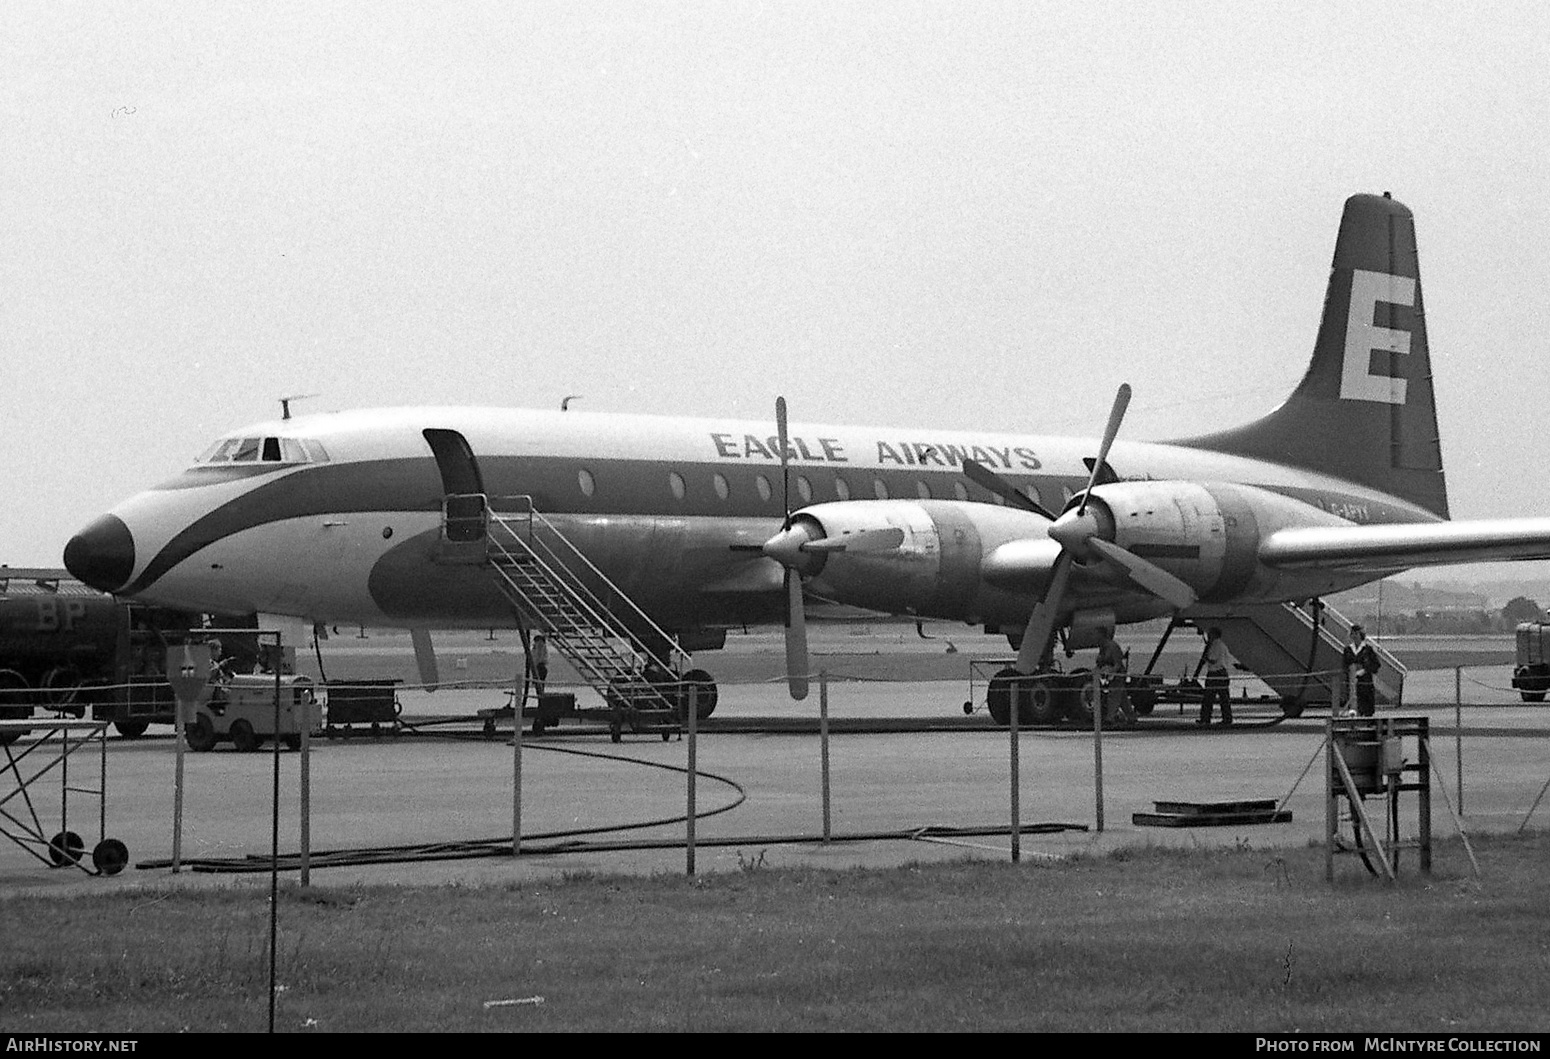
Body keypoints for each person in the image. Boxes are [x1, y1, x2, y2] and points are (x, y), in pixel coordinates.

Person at [1197, 626, 1239, 726]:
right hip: (1222, 673)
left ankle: (1205, 718)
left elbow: (1213, 659)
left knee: (1208, 698)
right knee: (1224, 698)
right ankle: (1227, 718)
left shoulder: (1216, 645)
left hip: (1215, 673)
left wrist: (1205, 657)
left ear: (1214, 635)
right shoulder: (1222, 645)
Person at [1094, 626, 1134, 725]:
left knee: (1114, 695)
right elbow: (1100, 662)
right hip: (1110, 673)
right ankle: (1131, 716)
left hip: (1118, 673)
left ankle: (1110, 718)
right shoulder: (1103, 647)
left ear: (1102, 636)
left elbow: (1118, 663)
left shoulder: (1112, 647)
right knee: (1122, 697)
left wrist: (1111, 673)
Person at [1342, 624, 1380, 717]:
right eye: (1352, 634)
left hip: (1365, 682)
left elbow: (1376, 665)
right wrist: (1350, 672)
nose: (1354, 636)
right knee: (1353, 707)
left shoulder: (1368, 649)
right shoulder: (1348, 650)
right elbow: (1344, 665)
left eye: (1356, 634)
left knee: (1366, 707)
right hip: (1352, 683)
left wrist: (1365, 670)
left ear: (1361, 635)